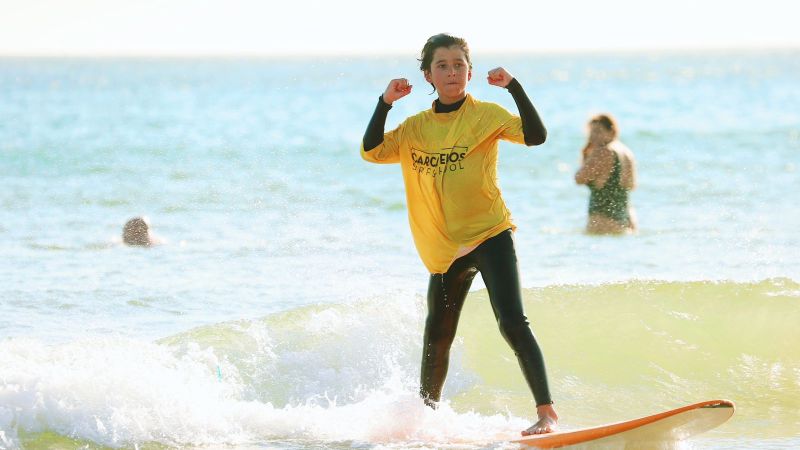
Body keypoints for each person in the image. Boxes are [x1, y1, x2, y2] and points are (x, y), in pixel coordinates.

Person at [360, 33, 557, 435]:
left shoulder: (485, 115)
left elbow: (536, 136)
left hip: (490, 234)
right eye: (442, 66)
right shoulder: (415, 128)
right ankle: (426, 419)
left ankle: (547, 414)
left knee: (512, 322)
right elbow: (371, 149)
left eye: (458, 65)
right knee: (438, 334)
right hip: (445, 250)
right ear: (428, 75)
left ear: (470, 70)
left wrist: (514, 87)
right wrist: (384, 103)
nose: (452, 72)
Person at [574, 114, 637, 234]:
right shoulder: (627, 152)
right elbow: (632, 186)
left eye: (598, 131)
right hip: (625, 220)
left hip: (603, 221)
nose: (593, 136)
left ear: (611, 131)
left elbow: (579, 178)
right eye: (591, 132)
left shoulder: (604, 151)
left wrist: (587, 155)